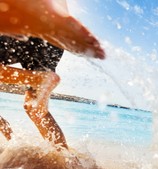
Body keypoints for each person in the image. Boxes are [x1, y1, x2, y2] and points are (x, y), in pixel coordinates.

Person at [0, 0, 105, 149]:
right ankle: (68, 161)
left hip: (26, 26)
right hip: (51, 39)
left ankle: (37, 78)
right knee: (35, 109)